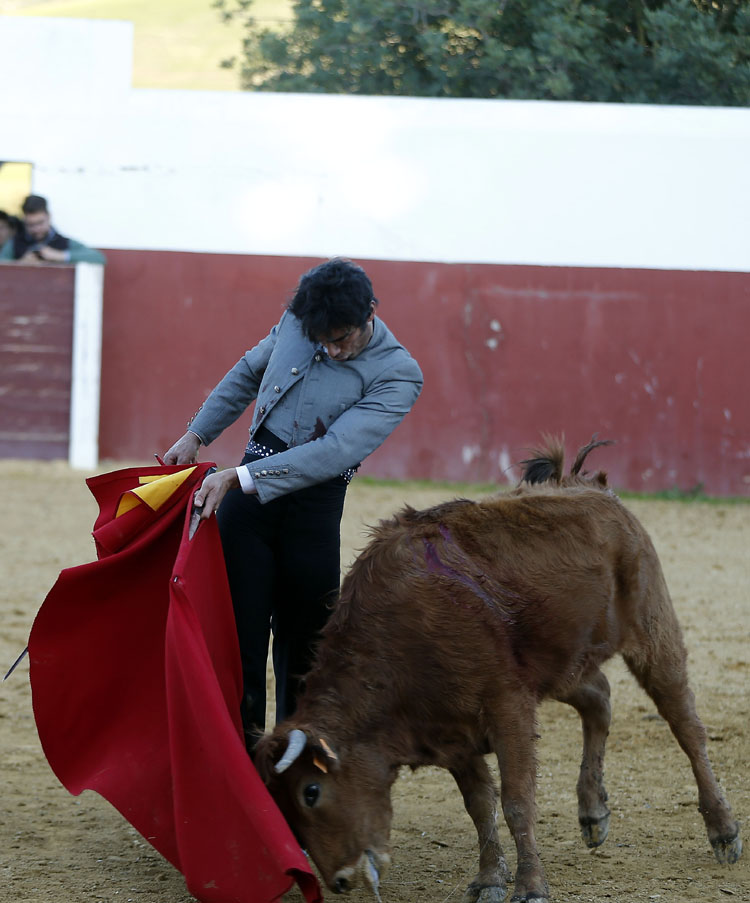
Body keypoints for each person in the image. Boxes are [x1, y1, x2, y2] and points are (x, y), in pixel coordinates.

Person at [164, 258, 423, 745]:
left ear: (370, 314)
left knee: (305, 652)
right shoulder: (298, 321)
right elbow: (246, 373)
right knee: (235, 642)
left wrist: (239, 476)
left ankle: (291, 769)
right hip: (246, 513)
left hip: (311, 514)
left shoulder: (399, 373)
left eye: (341, 337)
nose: (329, 347)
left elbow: (336, 451)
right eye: (321, 336)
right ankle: (236, 769)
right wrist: (196, 435)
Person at [0, 194, 106, 264]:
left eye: (40, 223)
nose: (36, 229)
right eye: (31, 225)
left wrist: (60, 255)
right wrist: (20, 263)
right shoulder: (14, 243)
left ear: (49, 217)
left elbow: (99, 258)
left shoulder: (64, 243)